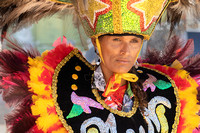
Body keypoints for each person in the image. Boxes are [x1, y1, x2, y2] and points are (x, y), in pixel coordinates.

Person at [0, 0, 200, 133]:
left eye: (134, 41)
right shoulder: (63, 90)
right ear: (97, 42)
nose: (125, 51)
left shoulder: (164, 93)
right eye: (115, 40)